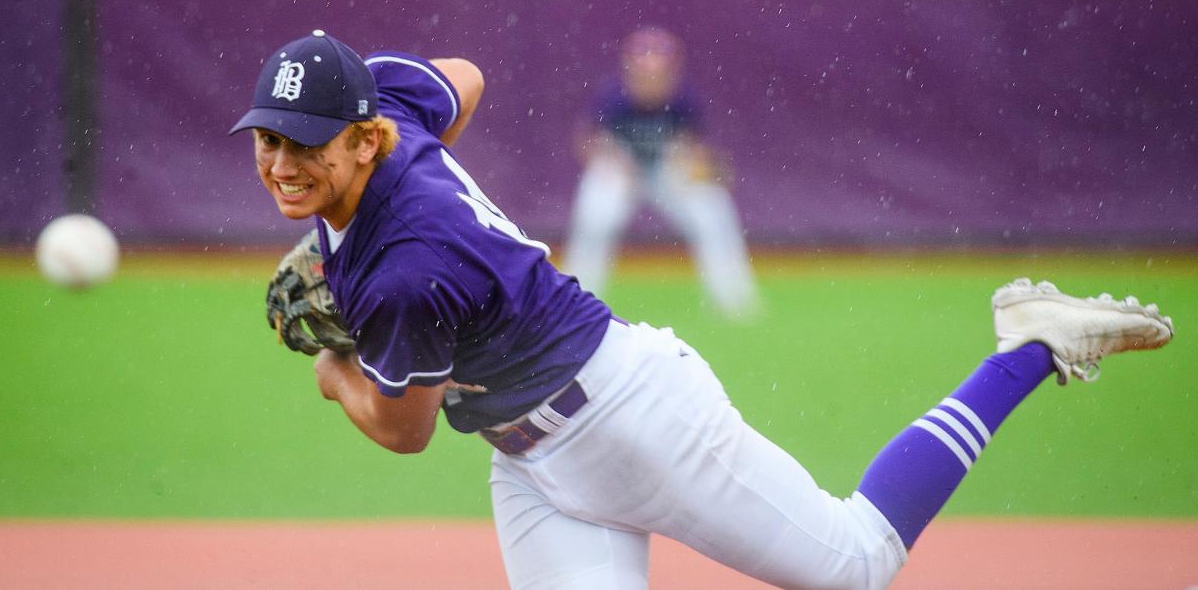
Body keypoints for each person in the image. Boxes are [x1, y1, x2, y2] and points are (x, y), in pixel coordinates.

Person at [229, 30, 1175, 589]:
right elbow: (465, 76)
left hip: (636, 417)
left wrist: (332, 374)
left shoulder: (403, 274)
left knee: (855, 563)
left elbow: (402, 433)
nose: (279, 163)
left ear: (363, 137)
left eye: (306, 143)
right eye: (269, 138)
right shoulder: (393, 104)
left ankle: (1029, 343)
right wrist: (409, 155)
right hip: (527, 464)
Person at [563, 27, 759, 318]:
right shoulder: (613, 95)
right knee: (596, 214)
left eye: (659, 70)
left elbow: (695, 147)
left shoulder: (684, 98)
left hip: (667, 165)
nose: (651, 78)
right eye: (644, 70)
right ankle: (576, 299)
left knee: (712, 210)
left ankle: (733, 298)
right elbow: (587, 142)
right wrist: (612, 163)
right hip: (620, 165)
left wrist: (703, 167)